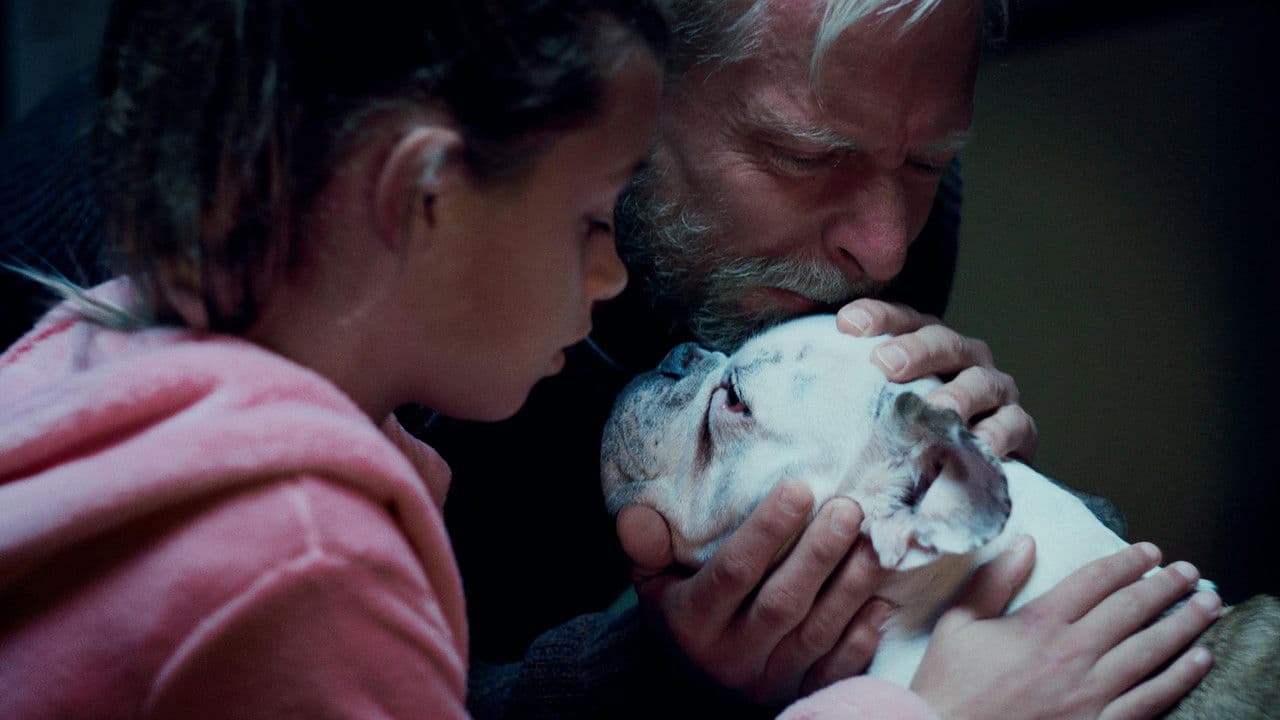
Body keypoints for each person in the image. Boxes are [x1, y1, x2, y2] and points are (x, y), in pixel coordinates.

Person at [0, 0, 1217, 718]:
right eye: (803, 158)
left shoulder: (119, 342)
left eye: (924, 163)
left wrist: (936, 484)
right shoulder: (307, 541)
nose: (883, 246)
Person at [0, 0, 669, 716]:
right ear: (428, 193)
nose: (612, 276)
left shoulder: (91, 343)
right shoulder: (309, 558)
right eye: (592, 220)